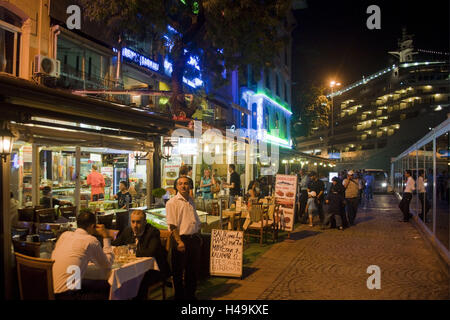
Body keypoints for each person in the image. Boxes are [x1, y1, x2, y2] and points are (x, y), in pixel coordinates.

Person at [51, 209, 114, 300]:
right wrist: (105, 236)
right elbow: (107, 264)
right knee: (109, 286)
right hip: (68, 295)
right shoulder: (90, 240)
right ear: (93, 226)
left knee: (98, 283)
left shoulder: (64, 235)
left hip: (51, 290)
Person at [112, 210, 169, 300]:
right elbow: (115, 244)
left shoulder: (153, 232)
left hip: (153, 270)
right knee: (119, 278)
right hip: (133, 268)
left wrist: (128, 251)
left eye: (138, 222)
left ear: (145, 222)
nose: (135, 225)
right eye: (133, 222)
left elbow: (150, 252)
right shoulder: (127, 231)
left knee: (138, 281)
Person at [166, 176, 202, 300]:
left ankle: (190, 296)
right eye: (180, 184)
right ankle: (180, 297)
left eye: (186, 183)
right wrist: (179, 241)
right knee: (178, 272)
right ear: (176, 186)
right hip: (180, 240)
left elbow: (194, 219)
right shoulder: (172, 202)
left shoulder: (190, 201)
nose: (183, 186)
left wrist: (198, 233)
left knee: (192, 271)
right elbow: (172, 224)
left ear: (190, 186)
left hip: (193, 239)